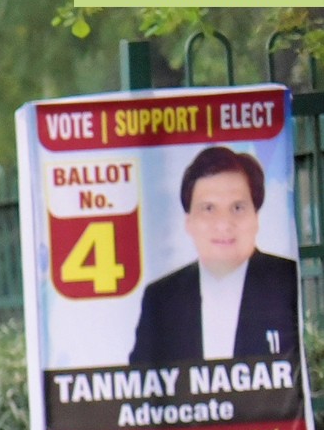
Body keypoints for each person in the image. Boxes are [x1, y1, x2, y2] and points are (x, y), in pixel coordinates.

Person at [129, 146, 304, 367]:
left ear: (256, 217)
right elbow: (140, 379)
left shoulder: (287, 279)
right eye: (208, 208)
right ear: (189, 222)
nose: (223, 224)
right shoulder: (161, 298)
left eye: (237, 208)